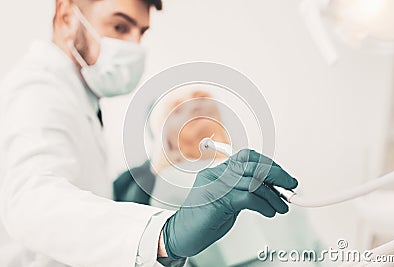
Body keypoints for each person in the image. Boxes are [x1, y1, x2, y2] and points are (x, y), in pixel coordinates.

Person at [0, 1, 298, 266]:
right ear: (66, 16)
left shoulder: (79, 105)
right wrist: (164, 235)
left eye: (140, 32)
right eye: (119, 26)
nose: (133, 45)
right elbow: (30, 202)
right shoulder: (38, 91)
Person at [115, 87, 323, 267]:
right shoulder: (164, 187)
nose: (195, 107)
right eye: (178, 109)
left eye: (201, 98)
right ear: (162, 135)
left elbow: (314, 245)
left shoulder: (259, 169)